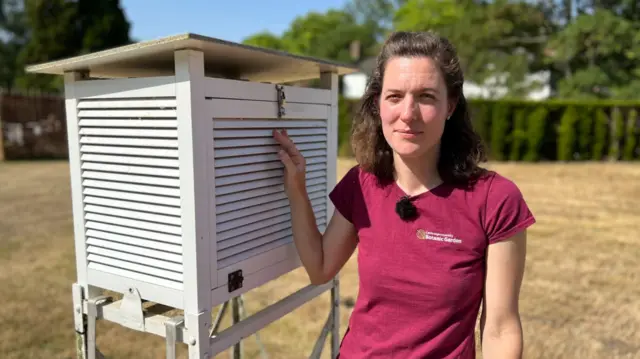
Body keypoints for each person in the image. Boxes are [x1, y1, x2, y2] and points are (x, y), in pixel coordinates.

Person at [273, 31, 535, 359]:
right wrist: (296, 189)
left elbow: (500, 328)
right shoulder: (362, 184)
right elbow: (320, 267)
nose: (407, 114)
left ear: (450, 105)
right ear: (378, 104)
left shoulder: (495, 199)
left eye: (425, 97)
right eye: (395, 96)